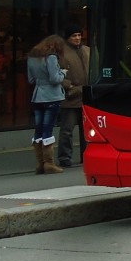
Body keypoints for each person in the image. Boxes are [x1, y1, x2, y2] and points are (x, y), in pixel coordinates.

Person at [27, 34, 67, 175]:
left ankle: (40, 163)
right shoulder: (51, 57)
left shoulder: (32, 57)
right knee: (48, 129)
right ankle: (49, 164)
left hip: (37, 96)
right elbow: (55, 78)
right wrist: (63, 73)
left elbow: (31, 79)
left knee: (38, 129)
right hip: (51, 96)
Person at [57, 25, 90, 168]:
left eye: (78, 35)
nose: (77, 38)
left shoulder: (88, 50)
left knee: (87, 131)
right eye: (73, 36)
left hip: (87, 97)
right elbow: (55, 74)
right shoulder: (61, 53)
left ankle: (87, 155)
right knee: (67, 130)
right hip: (70, 98)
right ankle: (64, 158)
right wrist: (68, 85)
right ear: (68, 38)